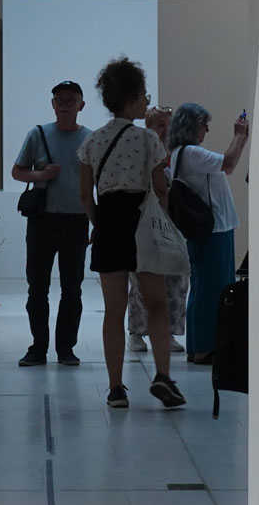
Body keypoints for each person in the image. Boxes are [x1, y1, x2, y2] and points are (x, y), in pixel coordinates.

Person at [77, 58, 184, 409]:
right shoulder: (148, 139)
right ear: (132, 97)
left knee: (114, 309)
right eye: (144, 95)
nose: (146, 101)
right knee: (156, 304)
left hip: (108, 223)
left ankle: (115, 389)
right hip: (141, 223)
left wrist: (99, 224)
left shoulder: (91, 141)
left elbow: (85, 195)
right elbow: (160, 188)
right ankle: (163, 376)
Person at [9, 80, 93, 366]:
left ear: (81, 105)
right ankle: (38, 347)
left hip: (76, 220)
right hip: (42, 220)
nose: (65, 106)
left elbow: (98, 181)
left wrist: (96, 219)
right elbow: (17, 171)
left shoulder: (90, 139)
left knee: (72, 289)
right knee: (37, 288)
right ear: (53, 104)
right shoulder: (38, 134)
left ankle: (66, 348)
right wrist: (40, 176)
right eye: (60, 101)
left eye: (71, 101)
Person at [167, 102, 249, 365]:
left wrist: (241, 140)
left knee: (203, 289)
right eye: (204, 124)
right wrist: (237, 134)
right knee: (213, 291)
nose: (207, 130)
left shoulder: (181, 153)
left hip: (208, 229)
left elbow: (227, 167)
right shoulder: (192, 153)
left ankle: (199, 346)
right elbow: (228, 161)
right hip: (214, 228)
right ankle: (205, 348)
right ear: (192, 126)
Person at [127, 105, 187, 353]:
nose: (166, 130)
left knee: (174, 278)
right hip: (145, 224)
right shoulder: (141, 152)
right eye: (160, 125)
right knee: (142, 279)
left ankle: (167, 332)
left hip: (170, 225)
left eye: (169, 125)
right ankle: (137, 332)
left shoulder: (176, 153)